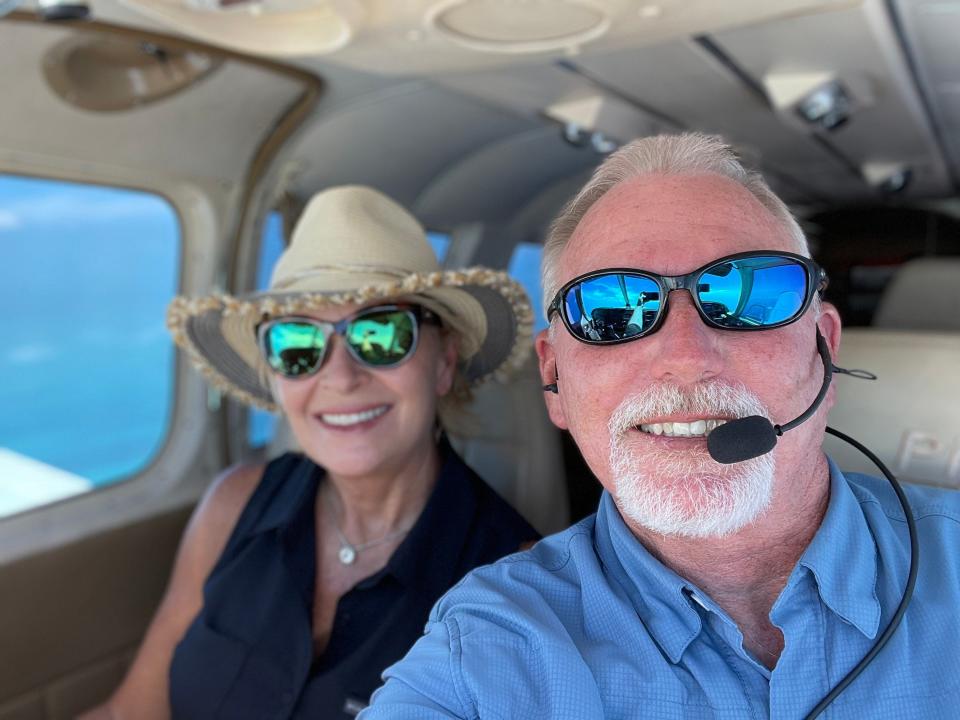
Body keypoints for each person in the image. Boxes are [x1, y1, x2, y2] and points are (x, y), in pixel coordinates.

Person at [362, 134, 960, 718]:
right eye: (609, 309)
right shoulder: (483, 653)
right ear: (554, 379)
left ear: (822, 351)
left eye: (750, 295)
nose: (686, 356)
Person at [81, 185, 539, 720]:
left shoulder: (513, 583)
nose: (340, 376)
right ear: (275, 376)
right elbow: (130, 713)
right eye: (298, 343)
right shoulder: (232, 506)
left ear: (443, 361)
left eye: (381, 334)